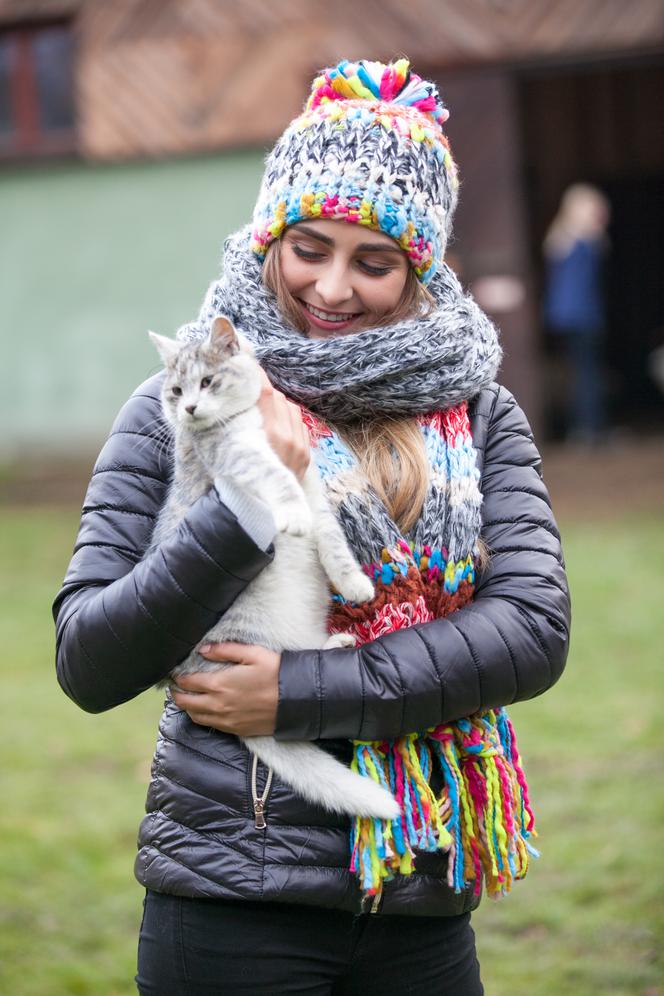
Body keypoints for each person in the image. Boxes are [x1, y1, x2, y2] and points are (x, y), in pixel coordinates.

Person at [53, 58, 570, 995]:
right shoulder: (180, 408)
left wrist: (304, 692)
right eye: (310, 248)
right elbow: (90, 657)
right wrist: (248, 507)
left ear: (420, 270)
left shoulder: (480, 416)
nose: (332, 288)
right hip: (230, 900)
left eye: (373, 263)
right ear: (269, 241)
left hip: (421, 895)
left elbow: (531, 629)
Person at [543, 182, 611, 444]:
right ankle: (590, 429)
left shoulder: (559, 239)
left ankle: (583, 428)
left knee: (579, 372)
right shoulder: (582, 241)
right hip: (582, 315)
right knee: (587, 373)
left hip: (566, 315)